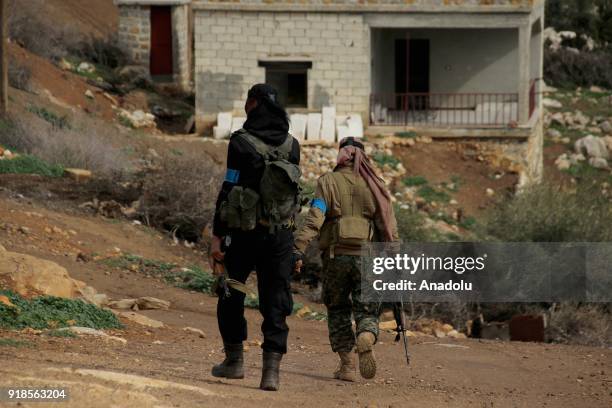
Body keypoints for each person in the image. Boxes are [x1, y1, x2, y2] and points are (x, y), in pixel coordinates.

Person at [209, 84, 301, 391]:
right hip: (280, 239)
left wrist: (216, 236)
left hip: (244, 237)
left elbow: (228, 189)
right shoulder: (292, 145)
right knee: (276, 301)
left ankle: (234, 362)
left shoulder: (240, 142)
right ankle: (270, 373)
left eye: (248, 101)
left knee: (231, 293)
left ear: (255, 103)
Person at [293, 137, 399, 382]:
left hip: (335, 257)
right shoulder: (377, 185)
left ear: (341, 155)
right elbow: (389, 228)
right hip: (368, 259)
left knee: (338, 309)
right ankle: (366, 335)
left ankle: (348, 366)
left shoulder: (327, 182)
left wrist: (298, 247)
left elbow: (315, 218)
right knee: (367, 308)